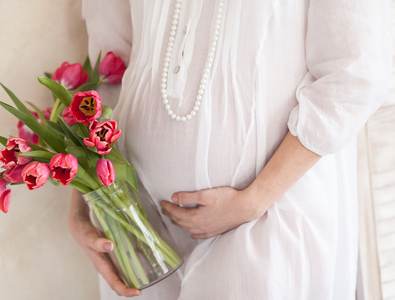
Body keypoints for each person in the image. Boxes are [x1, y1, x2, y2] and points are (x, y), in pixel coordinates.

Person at [68, 0, 392, 299]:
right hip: (134, 219)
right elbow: (107, 67)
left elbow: (356, 71)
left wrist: (255, 200)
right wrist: (86, 199)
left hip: (267, 213)